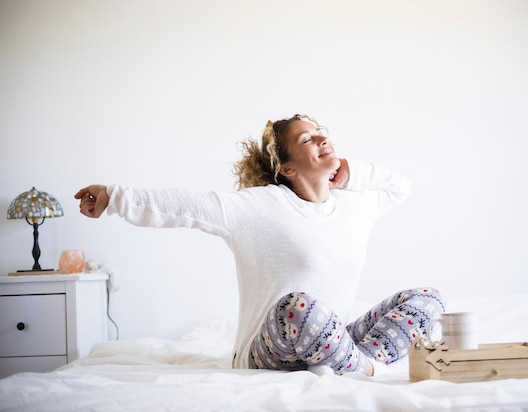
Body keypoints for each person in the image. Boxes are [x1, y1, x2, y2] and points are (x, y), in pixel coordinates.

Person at [75, 114, 445, 376]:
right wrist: (114, 196)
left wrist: (352, 171)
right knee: (298, 306)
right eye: (306, 139)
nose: (320, 139)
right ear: (286, 168)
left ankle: (356, 362)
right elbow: (184, 207)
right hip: (270, 347)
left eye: (320, 133)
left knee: (428, 298)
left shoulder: (356, 205)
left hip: (330, 339)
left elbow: (400, 187)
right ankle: (365, 371)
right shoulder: (261, 207)